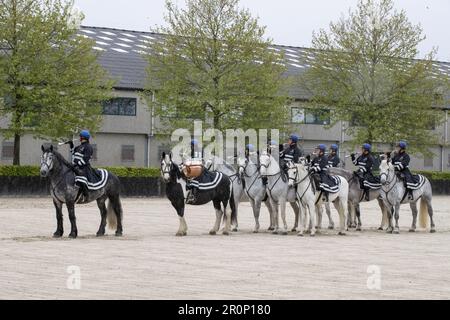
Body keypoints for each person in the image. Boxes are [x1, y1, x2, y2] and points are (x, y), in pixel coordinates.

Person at [66, 130, 95, 199]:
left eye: (80, 137)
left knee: (80, 179)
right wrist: (71, 144)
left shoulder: (89, 147)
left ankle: (86, 194)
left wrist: (77, 165)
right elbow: (73, 152)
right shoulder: (79, 146)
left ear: (82, 138)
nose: (79, 138)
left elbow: (86, 159)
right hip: (76, 167)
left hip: (84, 167)